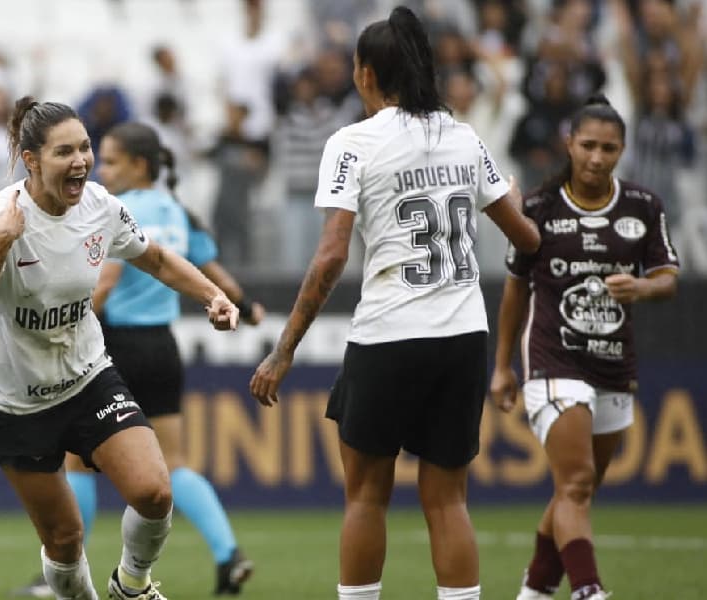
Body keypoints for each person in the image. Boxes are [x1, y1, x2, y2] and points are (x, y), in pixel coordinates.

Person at [249, 7, 541, 600]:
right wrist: (513, 195)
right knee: (448, 499)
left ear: (364, 74)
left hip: (389, 334)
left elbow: (331, 256)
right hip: (463, 337)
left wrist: (284, 350)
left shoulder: (352, 142)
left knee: (365, 496)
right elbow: (528, 241)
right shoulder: (463, 135)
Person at [0, 96, 240, 600]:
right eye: (65, 152)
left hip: (87, 377)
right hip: (14, 403)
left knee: (154, 490)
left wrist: (212, 295)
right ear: (31, 159)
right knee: (65, 541)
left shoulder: (101, 207)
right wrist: (1, 245)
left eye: (85, 148)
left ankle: (131, 586)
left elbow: (156, 259)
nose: (81, 161)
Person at [12, 122, 264, 599]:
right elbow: (209, 272)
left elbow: (103, 284)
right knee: (175, 463)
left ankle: (60, 574)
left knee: (77, 463)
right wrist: (245, 306)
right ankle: (228, 552)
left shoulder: (117, 211)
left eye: (109, 160)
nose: (98, 170)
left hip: (117, 347)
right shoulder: (177, 210)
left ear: (139, 165)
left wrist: (62, 336)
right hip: (163, 349)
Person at [489, 95, 679, 600]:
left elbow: (668, 277)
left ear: (622, 150)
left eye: (609, 148)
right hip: (554, 361)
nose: (597, 157)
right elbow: (515, 287)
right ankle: (589, 590)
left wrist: (640, 287)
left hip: (614, 365)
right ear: (568, 144)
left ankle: (534, 590)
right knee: (574, 484)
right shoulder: (537, 208)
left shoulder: (643, 207)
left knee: (578, 491)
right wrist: (503, 365)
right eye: (589, 145)